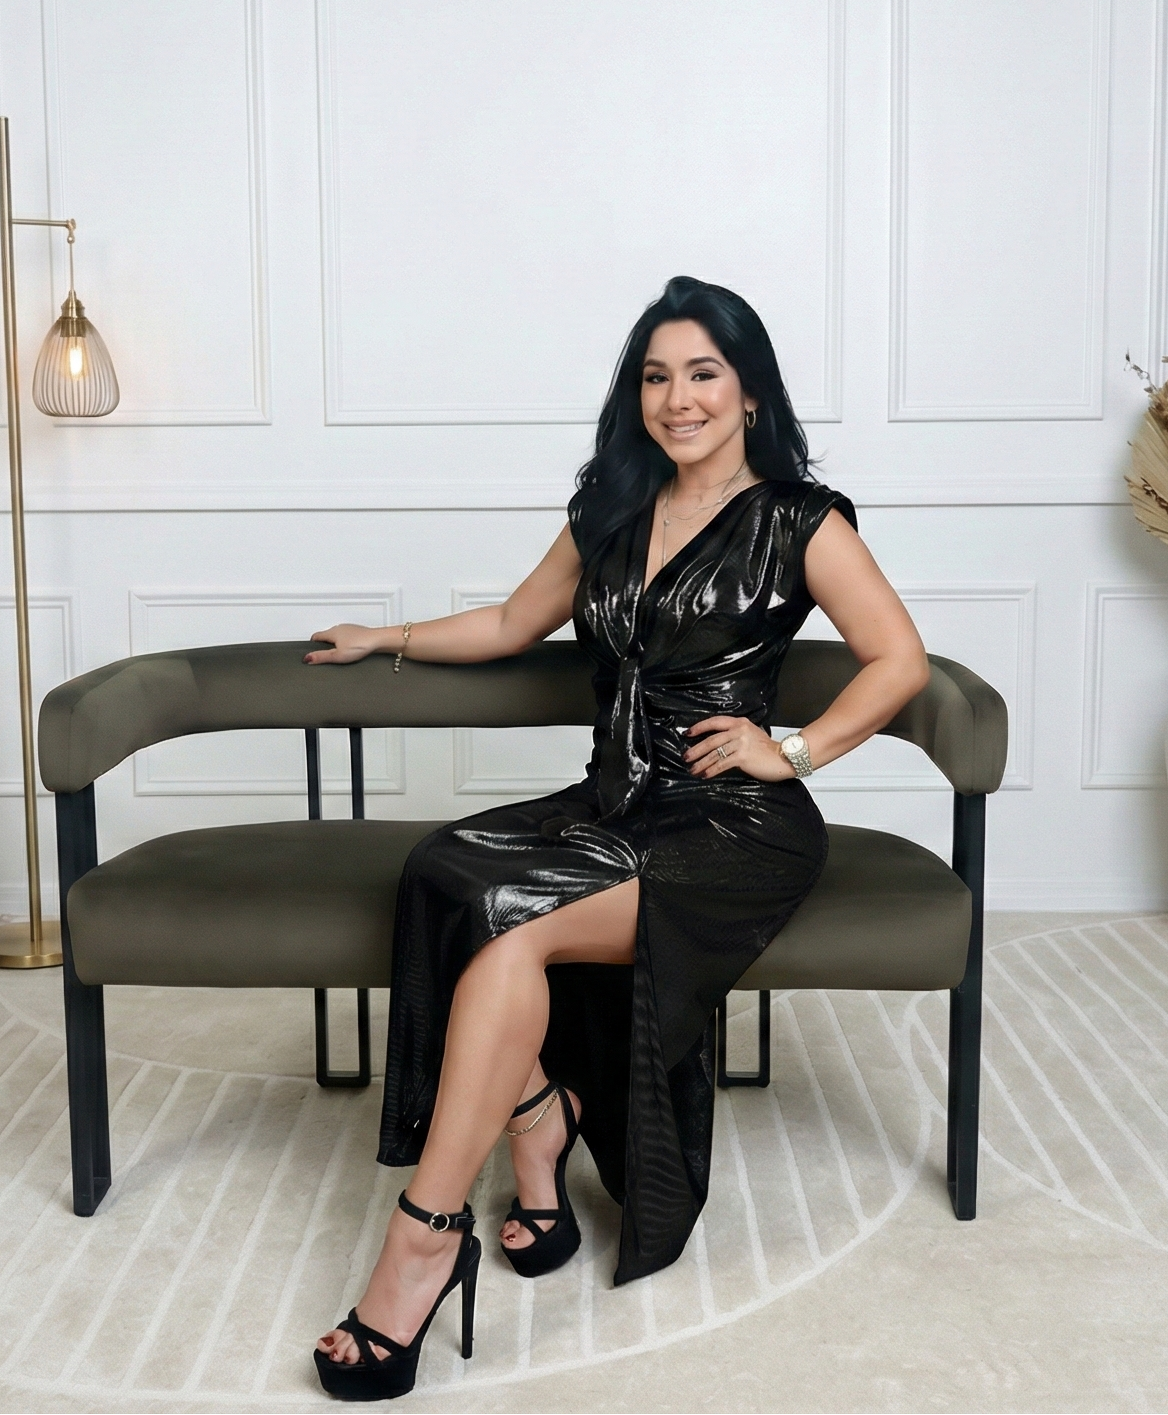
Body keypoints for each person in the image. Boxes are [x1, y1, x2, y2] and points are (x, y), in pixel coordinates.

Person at [301, 276, 930, 1401]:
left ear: (746, 394)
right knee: (443, 870)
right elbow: (507, 622)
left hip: (730, 829)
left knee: (506, 935)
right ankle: (536, 1118)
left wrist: (792, 749)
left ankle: (420, 1243)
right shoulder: (609, 507)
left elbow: (899, 660)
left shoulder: (800, 517)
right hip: (614, 803)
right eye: (655, 375)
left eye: (701, 374)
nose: (675, 398)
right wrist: (381, 636)